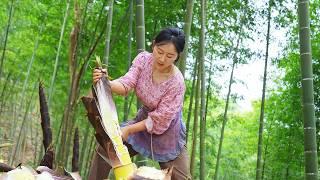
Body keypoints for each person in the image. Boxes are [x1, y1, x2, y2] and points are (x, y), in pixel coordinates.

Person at [89, 27, 191, 180]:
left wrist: (129, 130)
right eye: (160, 51)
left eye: (170, 55)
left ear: (178, 57)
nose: (162, 59)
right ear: (153, 45)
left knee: (181, 178)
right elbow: (126, 84)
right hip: (142, 123)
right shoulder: (143, 60)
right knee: (107, 147)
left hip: (167, 132)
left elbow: (159, 121)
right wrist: (106, 81)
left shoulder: (177, 82)